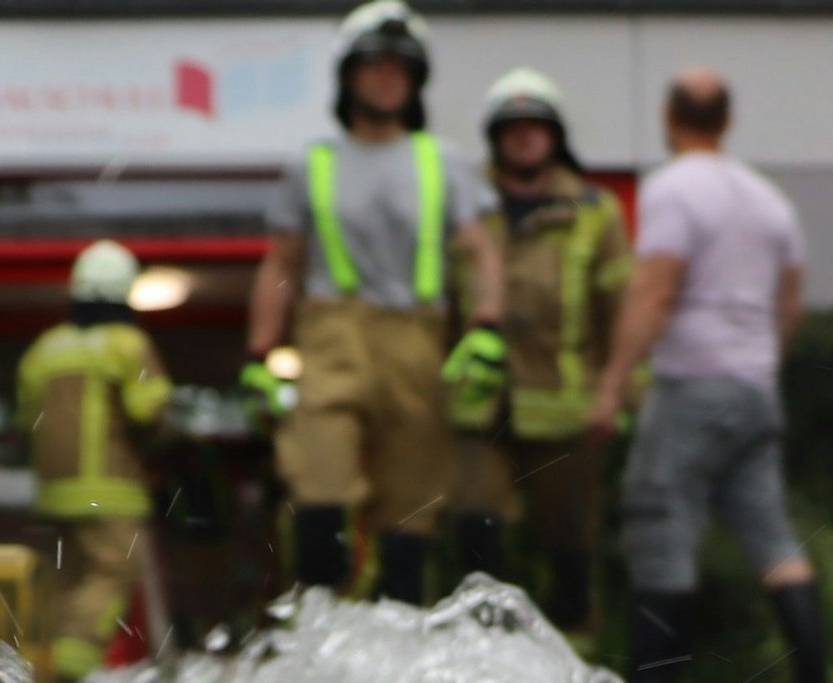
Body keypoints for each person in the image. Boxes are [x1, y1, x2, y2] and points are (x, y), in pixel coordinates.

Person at [587, 69, 833, 683]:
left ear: (670, 118)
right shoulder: (770, 201)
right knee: (776, 542)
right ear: (726, 121)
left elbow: (654, 291)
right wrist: (757, 363)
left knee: (661, 526)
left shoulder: (672, 190)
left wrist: (612, 380)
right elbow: (790, 306)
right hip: (755, 391)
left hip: (691, 385)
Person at [244, 0, 507, 606]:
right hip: (330, 336)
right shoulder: (312, 164)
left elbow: (480, 252)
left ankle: (397, 651)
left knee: (409, 514)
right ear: (348, 77)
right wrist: (259, 352)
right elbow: (280, 262)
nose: (387, 77)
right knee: (319, 491)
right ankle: (318, 637)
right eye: (373, 66)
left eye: (400, 68)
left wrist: (487, 328)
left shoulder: (441, 161)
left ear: (415, 82)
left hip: (415, 342)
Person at [449, 67, 631, 642]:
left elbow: (620, 311)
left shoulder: (595, 212)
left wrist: (615, 393)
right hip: (479, 409)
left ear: (556, 137)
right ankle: (478, 664)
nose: (524, 138)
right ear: (494, 138)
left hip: (565, 412)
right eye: (512, 128)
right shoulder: (466, 208)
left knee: (569, 550)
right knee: (476, 535)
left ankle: (576, 674)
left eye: (536, 127)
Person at [15, 239, 173, 683]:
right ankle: (69, 679)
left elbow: (25, 420)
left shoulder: (45, 349)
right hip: (111, 493)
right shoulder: (128, 345)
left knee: (68, 581)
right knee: (110, 576)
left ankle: (42, 679)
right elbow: (150, 413)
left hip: (54, 494)